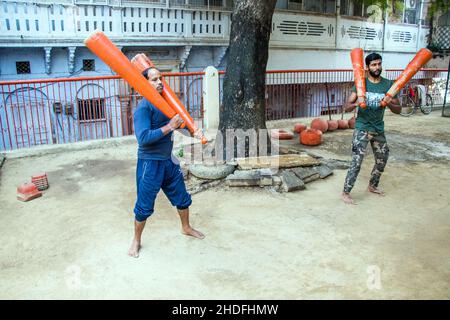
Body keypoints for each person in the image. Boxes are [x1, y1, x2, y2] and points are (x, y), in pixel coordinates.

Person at [128, 67, 204, 258]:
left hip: (169, 160)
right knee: (144, 206)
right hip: (150, 163)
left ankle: (186, 227)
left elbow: (180, 125)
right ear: (144, 85)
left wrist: (196, 132)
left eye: (161, 78)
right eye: (154, 80)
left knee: (182, 197)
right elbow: (144, 137)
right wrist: (170, 126)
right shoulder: (143, 109)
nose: (160, 82)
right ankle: (136, 240)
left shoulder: (166, 104)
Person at [341, 53, 402, 205]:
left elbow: (399, 109)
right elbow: (346, 107)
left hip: (378, 129)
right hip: (362, 128)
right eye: (374, 65)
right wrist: (357, 103)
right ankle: (346, 192)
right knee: (357, 161)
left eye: (379, 64)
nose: (377, 67)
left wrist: (388, 102)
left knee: (382, 159)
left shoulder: (388, 84)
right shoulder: (361, 84)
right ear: (367, 67)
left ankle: (373, 185)